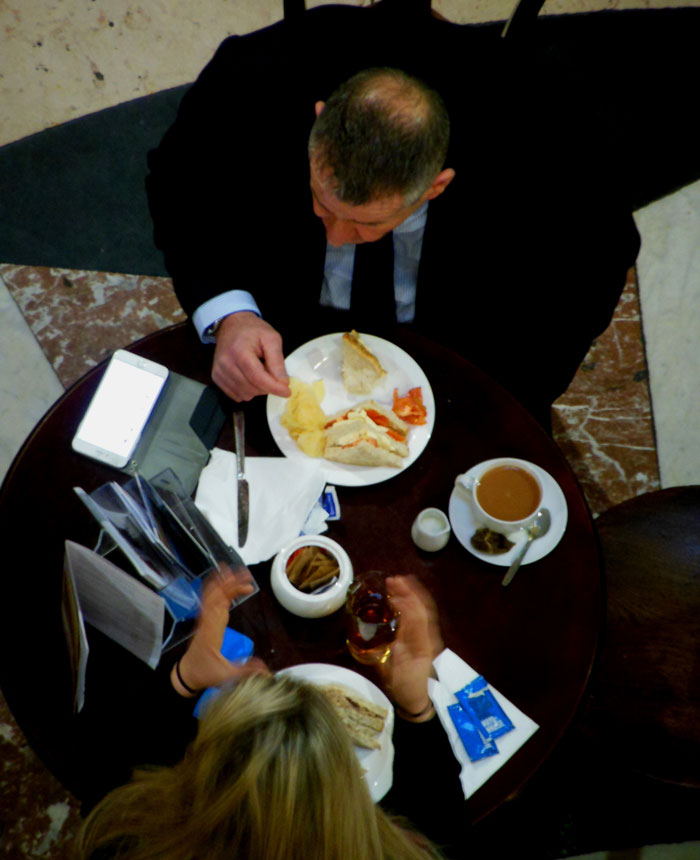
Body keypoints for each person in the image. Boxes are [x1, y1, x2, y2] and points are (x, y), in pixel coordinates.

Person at [145, 2, 640, 427]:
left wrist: (497, 389)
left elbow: (596, 259)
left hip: (460, 346)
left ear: (437, 186)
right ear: (319, 120)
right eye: (321, 202)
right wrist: (229, 313)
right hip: (278, 320)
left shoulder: (550, 141)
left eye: (369, 224)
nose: (336, 237)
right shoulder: (250, 81)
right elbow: (179, 184)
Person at [75, 568, 464, 860]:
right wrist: (416, 708)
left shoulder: (125, 841)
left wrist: (184, 678)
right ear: (345, 794)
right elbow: (442, 825)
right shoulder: (391, 849)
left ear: (199, 772)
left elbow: (110, 775)